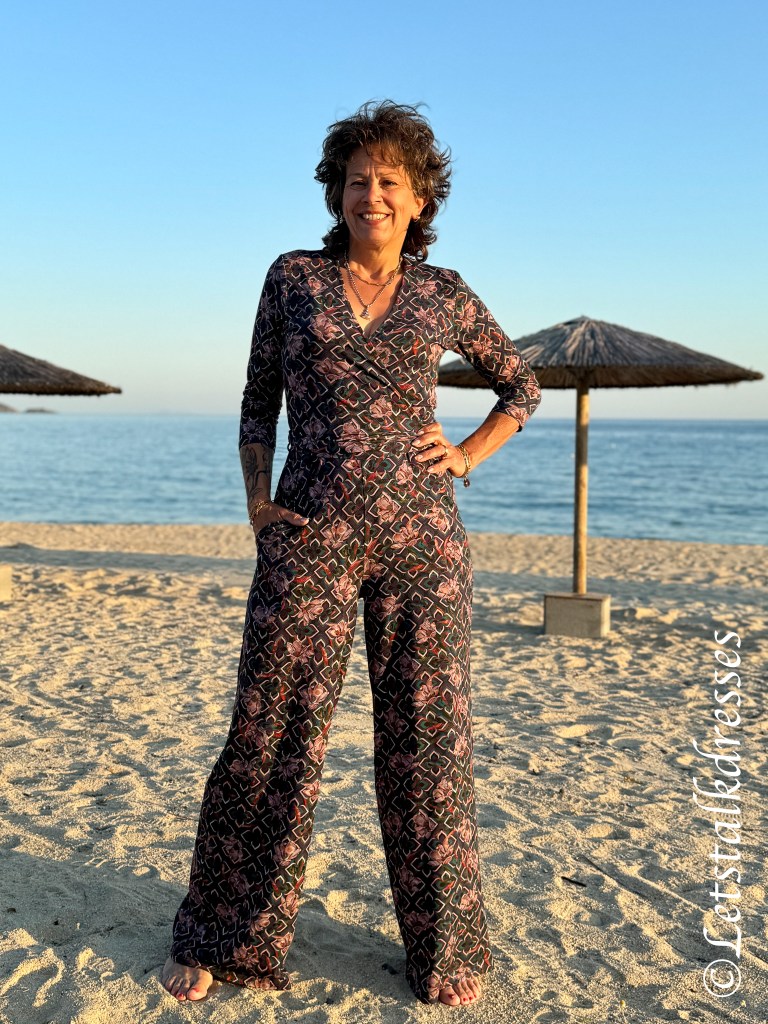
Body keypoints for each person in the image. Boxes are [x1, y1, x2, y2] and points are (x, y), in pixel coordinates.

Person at [161, 99, 541, 1008]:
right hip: (307, 540)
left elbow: (521, 384)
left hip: (423, 543)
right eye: (357, 179)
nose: (372, 194)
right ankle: (225, 936)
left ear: (419, 199)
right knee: (269, 732)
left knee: (427, 741)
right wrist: (257, 501)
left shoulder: (444, 292)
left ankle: (445, 950)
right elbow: (258, 399)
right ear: (335, 193)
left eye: (390, 181)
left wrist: (467, 454)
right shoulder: (293, 278)